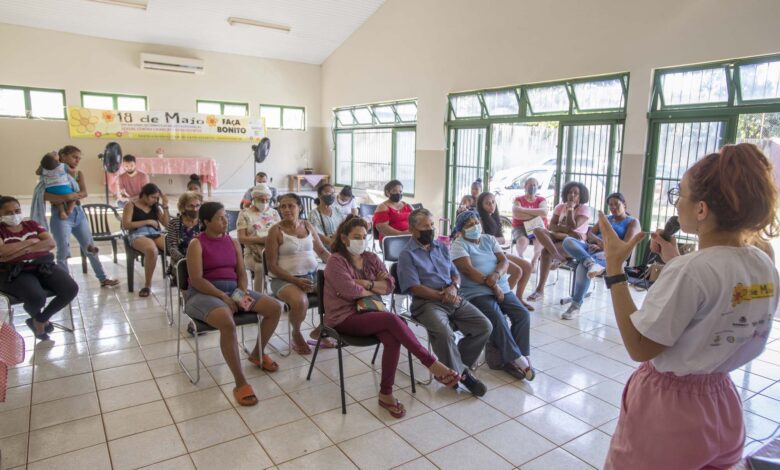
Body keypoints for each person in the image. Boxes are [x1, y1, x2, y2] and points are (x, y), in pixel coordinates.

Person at [599, 143, 779, 469]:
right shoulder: (763, 262)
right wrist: (675, 259)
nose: (676, 203)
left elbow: (640, 346)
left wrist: (614, 270)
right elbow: (717, 300)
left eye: (679, 194)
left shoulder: (691, 271)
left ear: (701, 210)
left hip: (669, 414)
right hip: (723, 406)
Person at [324, 215, 460, 418]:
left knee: (392, 336)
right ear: (344, 238)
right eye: (356, 236)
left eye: (364, 236)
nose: (361, 240)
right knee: (392, 320)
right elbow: (349, 291)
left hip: (371, 312)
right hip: (344, 317)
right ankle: (431, 362)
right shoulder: (336, 261)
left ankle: (385, 394)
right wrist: (369, 286)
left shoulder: (370, 258)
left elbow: (389, 286)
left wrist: (365, 284)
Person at [185, 202, 282, 407]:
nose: (225, 220)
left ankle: (257, 353)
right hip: (204, 294)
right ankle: (240, 382)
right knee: (227, 323)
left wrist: (240, 293)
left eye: (225, 216)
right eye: (220, 217)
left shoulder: (233, 242)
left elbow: (240, 273)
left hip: (232, 291)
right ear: (206, 222)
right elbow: (197, 279)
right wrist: (223, 297)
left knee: (274, 308)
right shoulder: (197, 244)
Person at [398, 208, 492, 396]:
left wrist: (454, 287)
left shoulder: (440, 246)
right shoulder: (407, 255)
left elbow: (455, 274)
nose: (431, 229)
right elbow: (415, 288)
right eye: (425, 226)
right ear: (413, 230)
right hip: (427, 304)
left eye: (432, 225)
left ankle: (454, 368)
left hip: (452, 297)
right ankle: (463, 375)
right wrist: (442, 296)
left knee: (484, 326)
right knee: (444, 332)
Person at [450, 210, 534, 380]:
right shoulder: (458, 245)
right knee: (496, 316)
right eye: (469, 225)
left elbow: (504, 261)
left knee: (522, 314)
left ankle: (517, 356)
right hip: (476, 292)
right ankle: (517, 359)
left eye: (475, 222)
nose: (475, 226)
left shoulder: (488, 239)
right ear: (461, 231)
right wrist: (493, 287)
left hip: (501, 287)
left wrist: (496, 275)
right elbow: (468, 270)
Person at [0, 196, 79, 341]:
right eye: (8, 213)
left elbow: (50, 243)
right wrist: (31, 242)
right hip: (15, 272)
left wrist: (18, 251)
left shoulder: (31, 224)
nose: (14, 215)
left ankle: (40, 319)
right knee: (37, 297)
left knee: (70, 288)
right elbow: (3, 252)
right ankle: (38, 317)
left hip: (43, 265)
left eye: (17, 211)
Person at [265, 193, 332, 354]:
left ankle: (321, 329)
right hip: (284, 279)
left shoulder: (308, 225)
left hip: (311, 276)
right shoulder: (275, 231)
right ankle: (296, 332)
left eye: (291, 206)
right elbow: (272, 266)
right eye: (283, 206)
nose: (286, 209)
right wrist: (295, 282)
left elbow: (322, 251)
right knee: (300, 301)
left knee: (340, 292)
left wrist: (338, 265)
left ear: (300, 207)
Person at [44, 146, 120, 287]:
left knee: (90, 247)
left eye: (79, 158)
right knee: (63, 252)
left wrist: (69, 196)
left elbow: (84, 193)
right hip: (61, 216)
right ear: (63, 155)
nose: (77, 160)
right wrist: (66, 196)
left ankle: (103, 279)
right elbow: (45, 195)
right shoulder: (51, 172)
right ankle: (65, 284)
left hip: (78, 214)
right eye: (74, 157)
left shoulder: (78, 173)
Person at [561, 192, 641, 320]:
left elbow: (623, 246)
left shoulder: (632, 222)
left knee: (582, 268)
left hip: (609, 255)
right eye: (610, 205)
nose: (613, 207)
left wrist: (601, 245)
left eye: (616, 204)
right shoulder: (606, 218)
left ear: (624, 205)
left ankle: (575, 306)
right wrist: (596, 242)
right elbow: (590, 233)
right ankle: (590, 262)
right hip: (590, 249)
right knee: (567, 241)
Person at [527, 181, 590, 302]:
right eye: (570, 192)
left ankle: (540, 290)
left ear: (581, 196)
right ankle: (557, 256)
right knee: (537, 230)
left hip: (575, 243)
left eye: (576, 193)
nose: (572, 195)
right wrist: (564, 230)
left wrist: (571, 209)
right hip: (557, 237)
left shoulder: (584, 209)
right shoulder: (560, 207)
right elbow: (551, 226)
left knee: (545, 252)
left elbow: (573, 227)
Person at [476, 192, 535, 310]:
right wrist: (494, 241)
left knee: (528, 266)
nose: (491, 205)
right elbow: (481, 241)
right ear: (481, 206)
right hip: (489, 255)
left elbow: (503, 239)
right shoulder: (479, 220)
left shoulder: (494, 217)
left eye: (493, 202)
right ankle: (501, 300)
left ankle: (518, 298)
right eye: (487, 203)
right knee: (517, 271)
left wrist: (493, 240)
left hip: (498, 252)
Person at [122, 183, 170, 297]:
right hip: (137, 234)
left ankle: (176, 276)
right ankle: (147, 285)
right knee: (151, 250)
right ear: (144, 195)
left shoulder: (155, 207)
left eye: (157, 198)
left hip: (155, 233)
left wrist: (165, 206)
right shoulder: (131, 205)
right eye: (153, 197)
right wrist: (147, 221)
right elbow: (126, 225)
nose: (155, 200)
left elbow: (167, 224)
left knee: (173, 247)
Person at [237, 184, 281, 292]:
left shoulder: (274, 213)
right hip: (252, 254)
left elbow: (281, 232)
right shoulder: (245, 214)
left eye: (267, 200)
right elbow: (241, 238)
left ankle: (281, 293)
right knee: (260, 268)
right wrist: (260, 240)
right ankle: (259, 297)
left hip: (275, 252)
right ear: (254, 199)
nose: (265, 202)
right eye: (261, 200)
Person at [512, 177, 547, 267]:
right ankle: (520, 257)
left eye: (534, 185)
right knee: (523, 241)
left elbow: (544, 213)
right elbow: (517, 215)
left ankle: (534, 260)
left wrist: (523, 209)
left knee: (540, 241)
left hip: (536, 225)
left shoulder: (541, 200)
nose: (532, 187)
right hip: (520, 226)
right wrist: (536, 214)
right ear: (525, 186)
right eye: (530, 185)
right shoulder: (518, 199)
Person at [165, 191, 203, 275]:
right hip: (181, 262)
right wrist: (186, 259)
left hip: (203, 259)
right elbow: (172, 248)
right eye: (191, 206)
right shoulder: (174, 223)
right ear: (183, 207)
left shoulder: (204, 222)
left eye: (197, 206)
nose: (195, 209)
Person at [38, 152, 77, 220]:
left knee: (58, 201)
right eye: (54, 155)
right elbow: (72, 172)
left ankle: (62, 211)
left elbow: (37, 172)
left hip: (50, 189)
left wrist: (42, 166)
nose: (54, 152)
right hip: (62, 188)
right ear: (57, 161)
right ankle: (69, 210)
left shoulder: (44, 169)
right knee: (74, 197)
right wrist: (74, 169)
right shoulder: (63, 166)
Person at [308, 183, 345, 248]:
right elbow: (317, 234)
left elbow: (344, 226)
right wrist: (333, 242)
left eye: (333, 193)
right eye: (328, 193)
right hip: (324, 248)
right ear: (319, 195)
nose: (331, 195)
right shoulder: (314, 214)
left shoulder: (337, 210)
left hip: (340, 244)